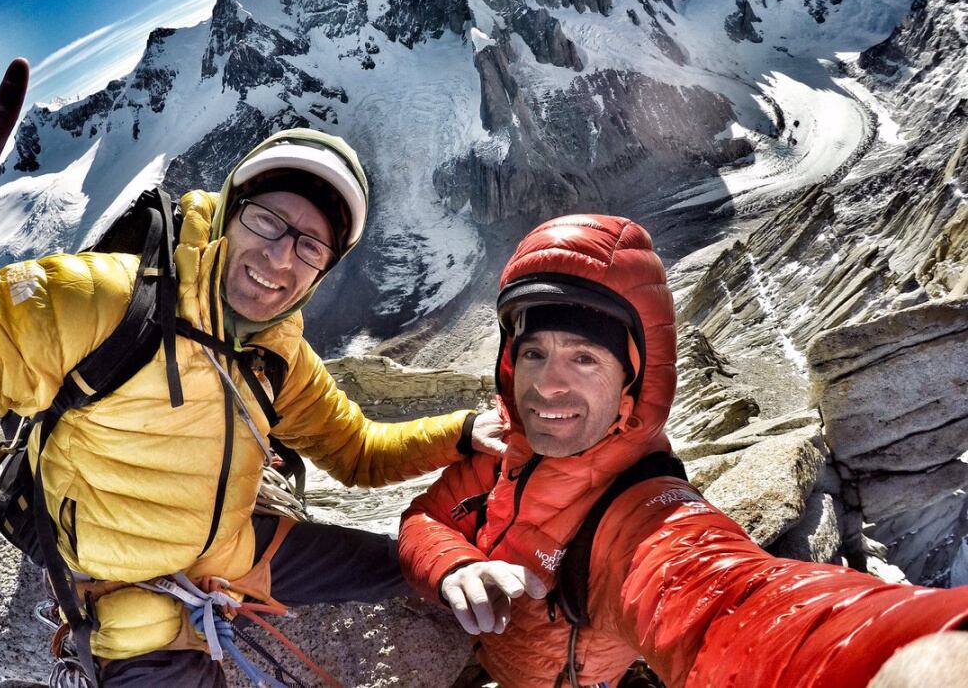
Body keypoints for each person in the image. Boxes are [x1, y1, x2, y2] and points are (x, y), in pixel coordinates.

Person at [0, 31, 504, 686]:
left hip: (233, 552)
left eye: (310, 247)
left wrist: (463, 433)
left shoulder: (277, 352)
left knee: (425, 569)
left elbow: (357, 453)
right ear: (227, 215)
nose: (279, 259)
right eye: (267, 221)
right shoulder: (95, 300)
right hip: (125, 591)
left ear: (323, 271)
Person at [398, 213, 968, 688]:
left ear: (633, 379)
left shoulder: (645, 515)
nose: (548, 386)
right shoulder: (500, 451)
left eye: (584, 358)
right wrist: (454, 565)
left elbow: (729, 602)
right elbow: (424, 516)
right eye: (533, 353)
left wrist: (907, 652)